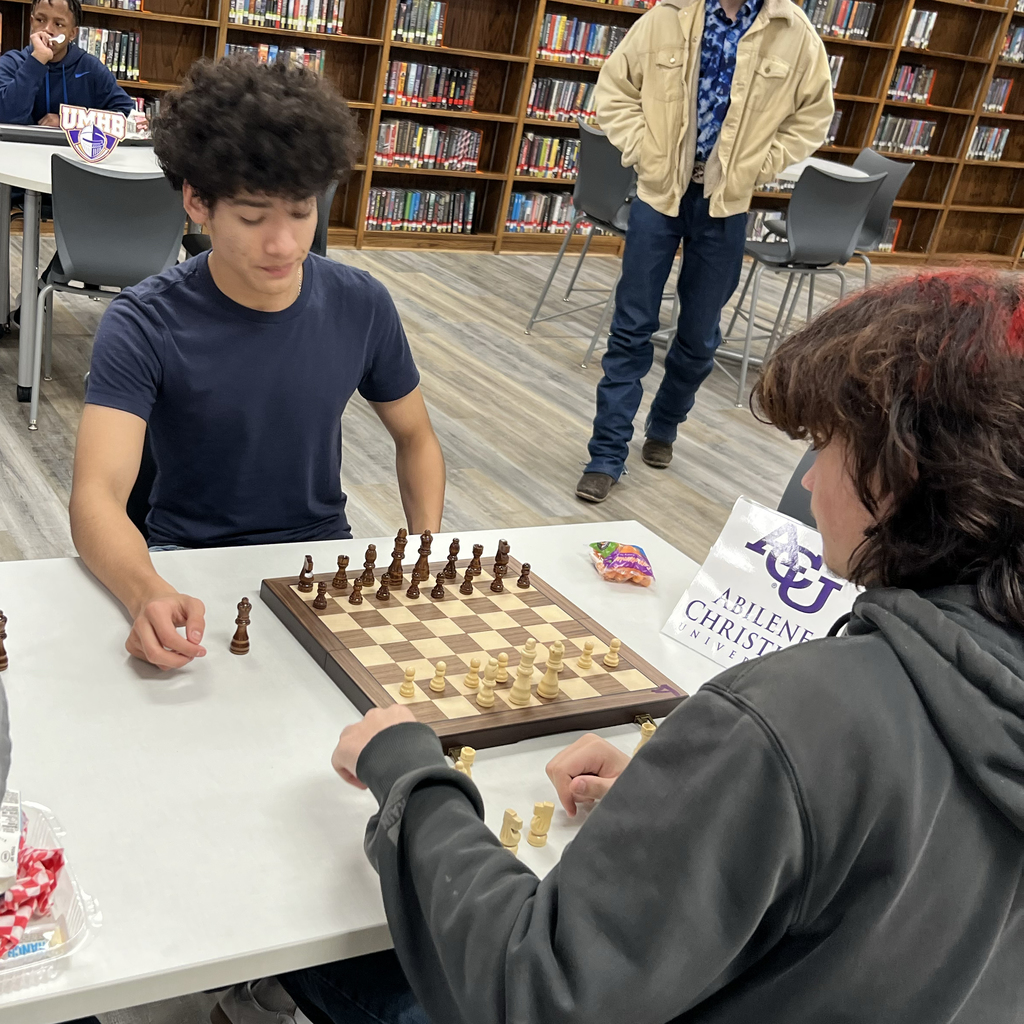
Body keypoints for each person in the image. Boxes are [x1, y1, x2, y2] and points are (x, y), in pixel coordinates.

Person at [294, 270, 1023, 1023]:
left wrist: (409, 772)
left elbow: (533, 992)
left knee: (329, 946)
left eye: (828, 444)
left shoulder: (793, 717)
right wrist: (695, 808)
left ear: (898, 472)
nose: (807, 479)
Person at [69, 57, 446, 672]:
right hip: (187, 560)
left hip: (320, 557)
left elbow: (417, 437)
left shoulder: (362, 303)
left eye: (300, 211)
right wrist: (146, 590)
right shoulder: (142, 322)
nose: (284, 243)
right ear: (197, 202)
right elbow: (97, 494)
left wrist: (426, 543)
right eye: (251, 216)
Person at [574, 0, 834, 502]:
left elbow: (813, 118)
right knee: (631, 328)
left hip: (726, 203)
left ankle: (665, 425)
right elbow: (615, 90)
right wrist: (642, 149)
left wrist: (761, 165)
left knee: (698, 338)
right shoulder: (667, 17)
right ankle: (606, 454)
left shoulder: (794, 32)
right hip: (658, 195)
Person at [0, 0, 134, 126]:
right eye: (40, 20)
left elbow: (127, 115)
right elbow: (6, 117)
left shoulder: (90, 68)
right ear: (31, 22)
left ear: (72, 33)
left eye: (58, 24)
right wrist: (36, 61)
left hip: (74, 149)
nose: (47, 29)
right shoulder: (11, 63)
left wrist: (69, 121)